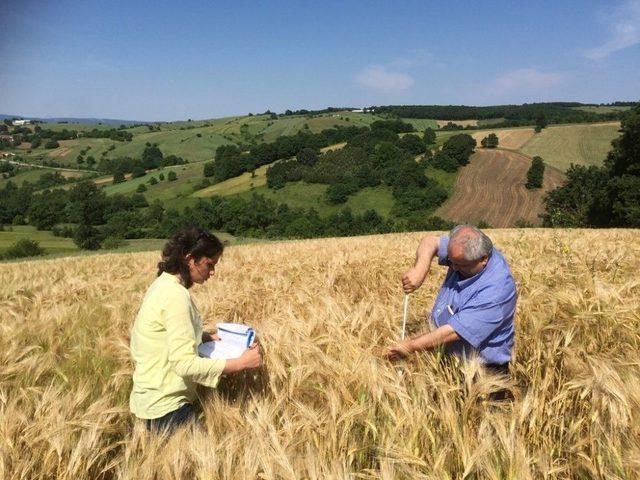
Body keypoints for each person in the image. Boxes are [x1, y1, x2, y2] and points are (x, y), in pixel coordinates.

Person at [129, 226, 262, 433]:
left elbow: (166, 332)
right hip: (167, 409)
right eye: (210, 264)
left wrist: (207, 337)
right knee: (205, 463)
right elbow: (183, 364)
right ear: (191, 259)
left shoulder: (162, 284)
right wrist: (240, 363)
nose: (213, 272)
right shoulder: (176, 296)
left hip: (152, 402)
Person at [386, 225, 517, 386]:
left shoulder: (496, 291)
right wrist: (420, 269)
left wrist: (410, 346)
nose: (453, 267)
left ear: (484, 259)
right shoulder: (464, 249)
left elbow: (453, 332)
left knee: (483, 411)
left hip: (483, 372)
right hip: (449, 362)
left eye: (460, 265)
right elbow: (430, 242)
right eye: (451, 261)